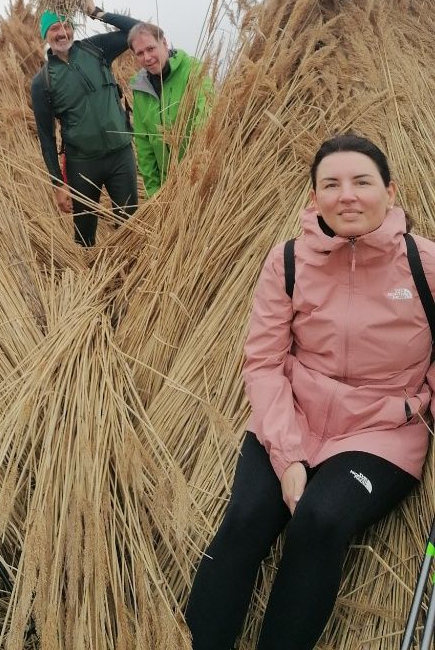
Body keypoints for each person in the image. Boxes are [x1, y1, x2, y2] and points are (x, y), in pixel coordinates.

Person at [185, 133, 434, 650]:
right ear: (314, 197)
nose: (347, 195)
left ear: (390, 193)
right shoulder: (289, 261)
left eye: (362, 182)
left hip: (381, 432)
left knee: (320, 520)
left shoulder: (425, 264)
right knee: (246, 519)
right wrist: (288, 454)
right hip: (293, 416)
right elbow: (264, 360)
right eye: (332, 184)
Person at [30, 0, 140, 246]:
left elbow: (138, 30)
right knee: (84, 234)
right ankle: (91, 274)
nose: (62, 32)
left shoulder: (96, 49)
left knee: (130, 226)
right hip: (82, 165)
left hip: (121, 156)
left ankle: (127, 272)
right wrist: (58, 184)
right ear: (45, 35)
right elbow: (46, 138)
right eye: (54, 28)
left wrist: (95, 12)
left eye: (66, 25)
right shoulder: (42, 82)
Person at [127, 22, 211, 197]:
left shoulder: (192, 68)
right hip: (166, 186)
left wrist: (195, 166)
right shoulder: (139, 87)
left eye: (151, 48)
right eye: (140, 53)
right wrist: (154, 192)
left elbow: (207, 112)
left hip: (199, 177)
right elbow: (144, 144)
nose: (147, 57)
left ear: (164, 43)